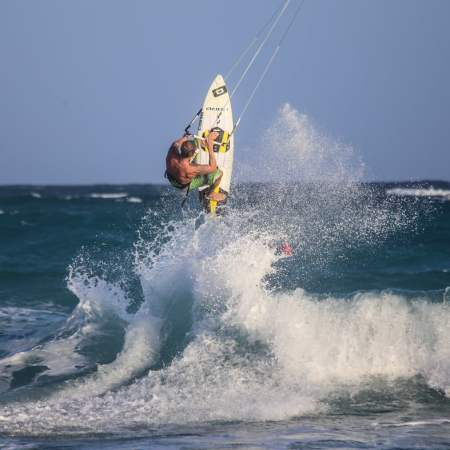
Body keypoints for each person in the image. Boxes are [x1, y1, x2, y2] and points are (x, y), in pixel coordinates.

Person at [165, 130, 226, 202]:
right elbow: (213, 167)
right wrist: (210, 145)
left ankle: (201, 143)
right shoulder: (191, 169)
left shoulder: (172, 154)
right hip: (183, 185)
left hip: (172, 178)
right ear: (192, 154)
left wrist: (185, 137)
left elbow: (176, 143)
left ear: (181, 148)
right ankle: (210, 193)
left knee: (195, 142)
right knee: (219, 174)